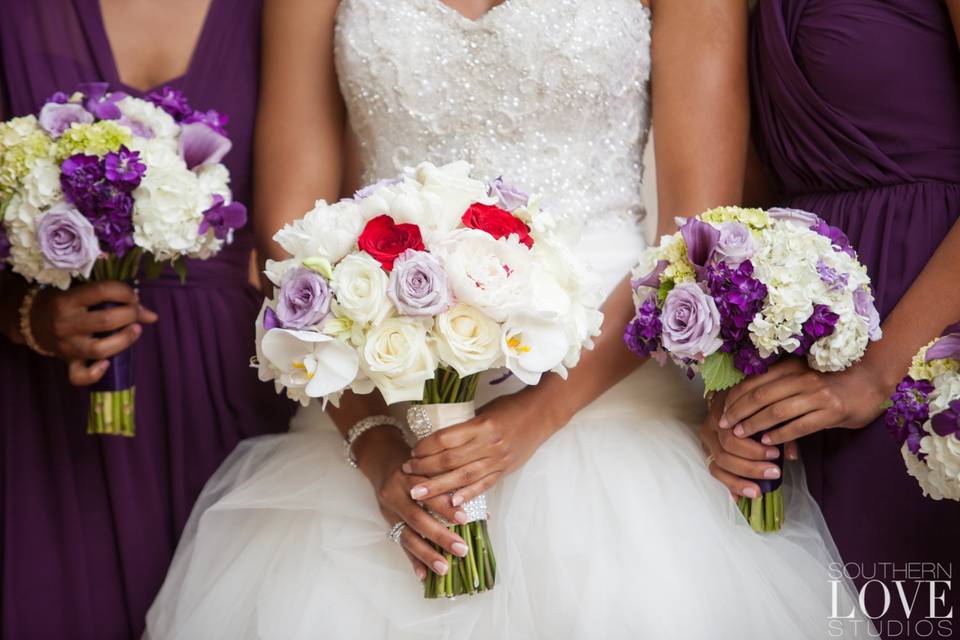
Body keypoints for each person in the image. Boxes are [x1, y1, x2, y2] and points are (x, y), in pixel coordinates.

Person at [146, 1, 865, 637]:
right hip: (382, 395)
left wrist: (530, 420)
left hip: (613, 387)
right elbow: (289, 236)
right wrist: (375, 448)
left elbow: (693, 233)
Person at [0, 1, 292, 637]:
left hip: (223, 395)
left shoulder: (282, 10)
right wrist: (26, 315)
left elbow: (301, 226)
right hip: (40, 413)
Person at [701, 0, 960, 632]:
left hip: (927, 338)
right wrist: (725, 390)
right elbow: (742, 205)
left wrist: (874, 376)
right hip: (807, 354)